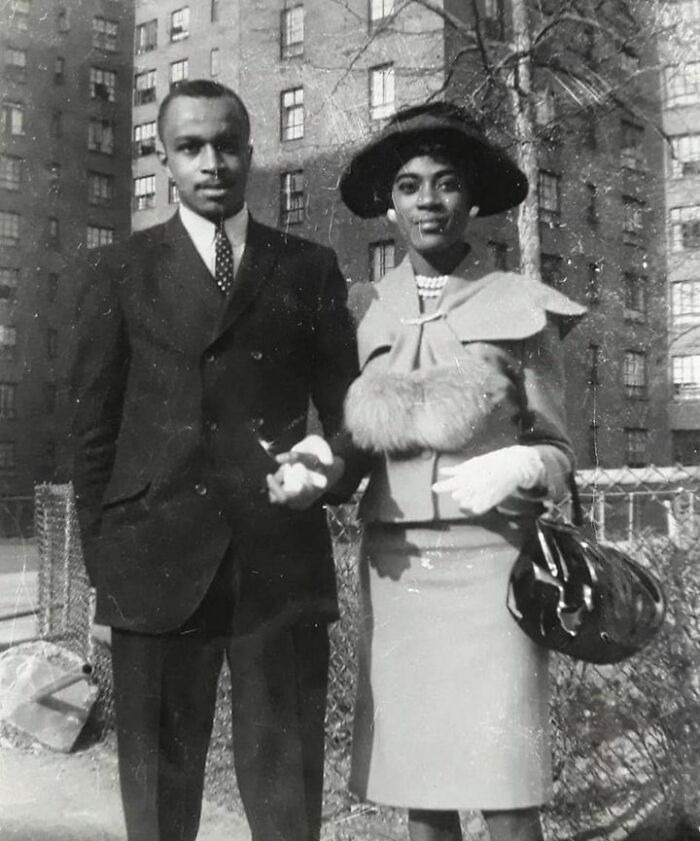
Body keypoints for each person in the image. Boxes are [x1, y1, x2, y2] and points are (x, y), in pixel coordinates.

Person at [277, 101, 587, 841]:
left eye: (446, 183)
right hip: (400, 570)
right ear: (389, 203)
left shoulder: (522, 305)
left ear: (473, 197)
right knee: (423, 785)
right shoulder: (364, 309)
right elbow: (349, 435)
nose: (429, 201)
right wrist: (321, 458)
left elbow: (561, 452)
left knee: (507, 788)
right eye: (411, 186)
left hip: (496, 569)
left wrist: (519, 462)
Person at [69, 79, 356, 841]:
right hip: (155, 566)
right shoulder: (120, 271)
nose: (212, 161)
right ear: (163, 161)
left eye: (228, 144)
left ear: (252, 152)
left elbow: (352, 411)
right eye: (191, 146)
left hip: (279, 566)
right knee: (159, 809)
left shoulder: (308, 267)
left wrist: (328, 466)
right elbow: (92, 434)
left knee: (287, 799)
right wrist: (108, 570)